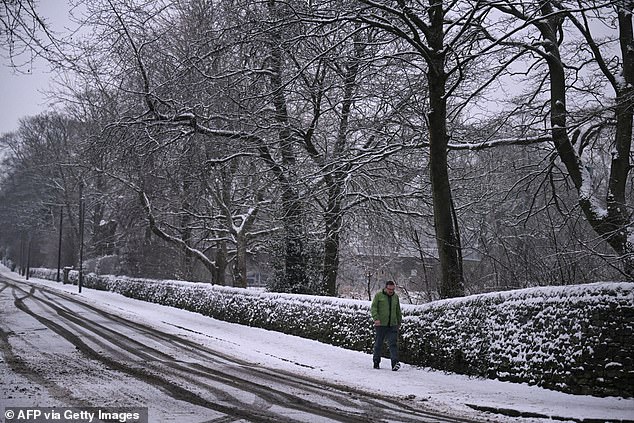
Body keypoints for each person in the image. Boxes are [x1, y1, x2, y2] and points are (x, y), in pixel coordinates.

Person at [370, 280, 402, 371]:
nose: (391, 291)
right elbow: (374, 308)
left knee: (393, 344)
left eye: (393, 289)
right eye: (389, 289)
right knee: (378, 344)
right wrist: (376, 318)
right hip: (381, 324)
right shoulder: (379, 296)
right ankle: (376, 362)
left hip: (393, 324)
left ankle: (395, 363)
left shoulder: (395, 297)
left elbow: (398, 310)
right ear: (385, 288)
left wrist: (399, 321)